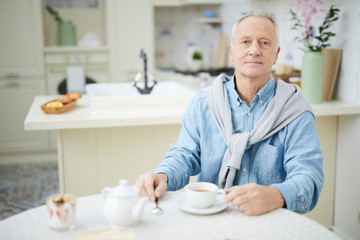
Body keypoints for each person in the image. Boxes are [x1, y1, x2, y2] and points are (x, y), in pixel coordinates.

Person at [134, 10, 323, 216]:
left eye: (264, 43)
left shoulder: (294, 110)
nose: (254, 50)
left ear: (276, 54)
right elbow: (184, 155)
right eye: (245, 42)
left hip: (271, 222)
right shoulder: (204, 103)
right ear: (231, 52)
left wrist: (276, 195)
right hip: (212, 219)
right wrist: (163, 176)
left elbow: (309, 177)